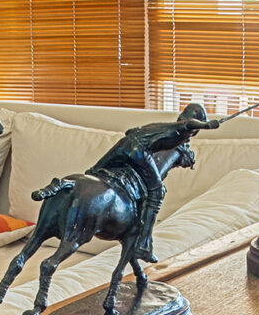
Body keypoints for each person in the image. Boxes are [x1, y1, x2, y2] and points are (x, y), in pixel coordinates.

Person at [87, 102, 219, 263]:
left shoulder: (163, 126)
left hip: (126, 143)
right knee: (157, 191)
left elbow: (131, 131)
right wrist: (207, 125)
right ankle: (143, 245)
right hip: (139, 151)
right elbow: (189, 124)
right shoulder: (182, 130)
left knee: (93, 172)